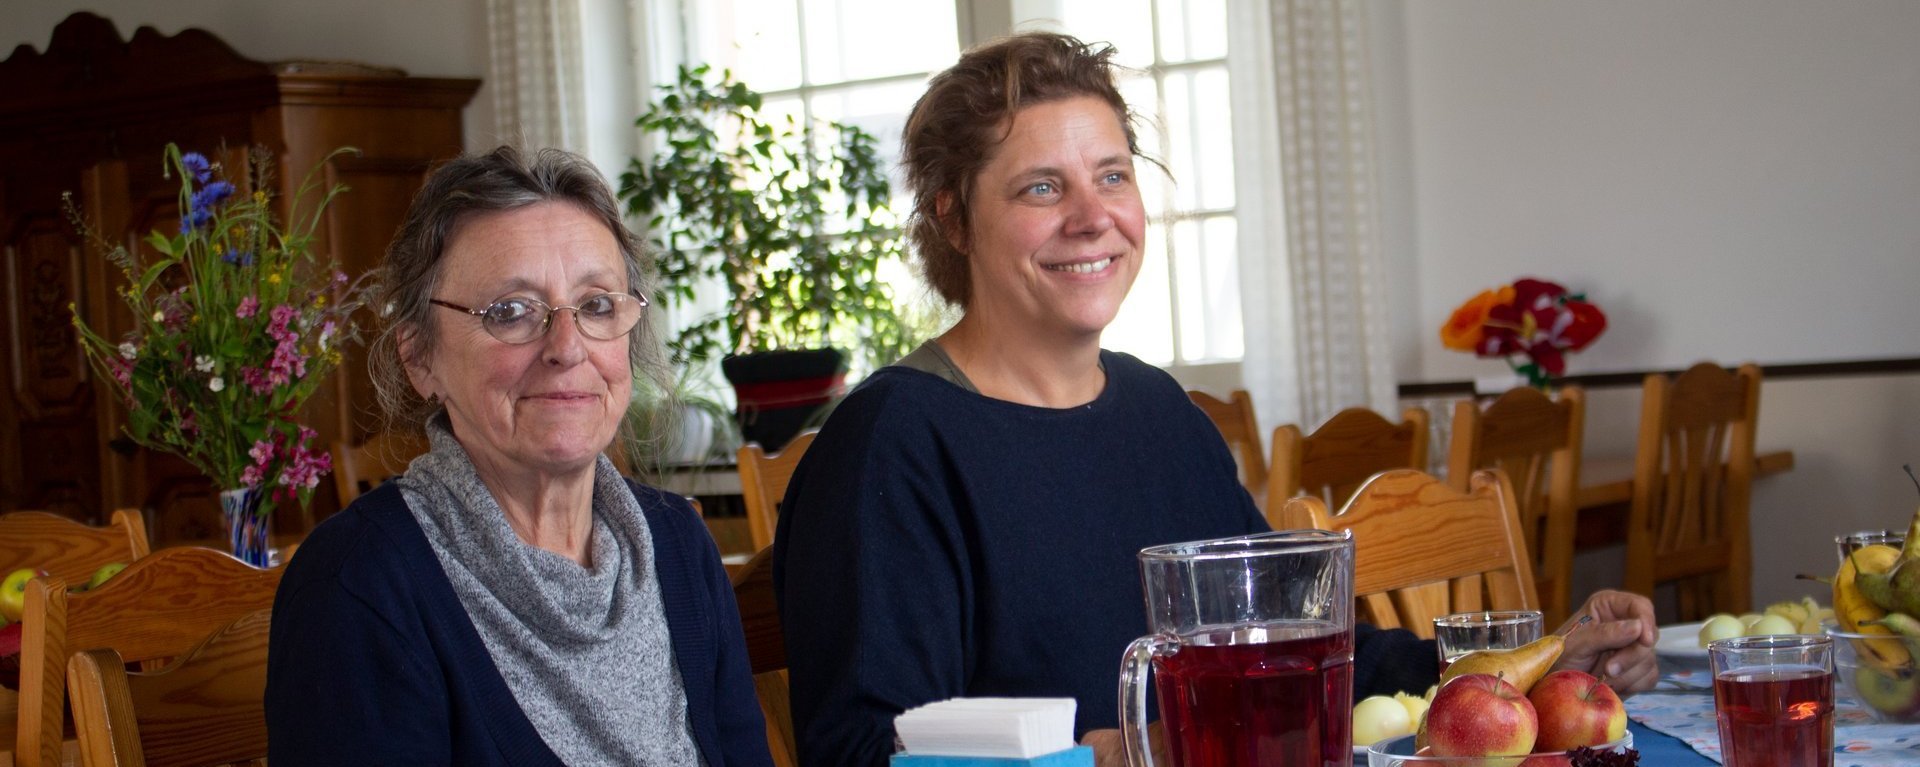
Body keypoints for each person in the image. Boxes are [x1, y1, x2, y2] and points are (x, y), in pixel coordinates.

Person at [772, 32, 1659, 767]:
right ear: (954, 218)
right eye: (1042, 186)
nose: (1093, 216)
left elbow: (1301, 657)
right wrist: (1136, 749)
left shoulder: (1161, 414)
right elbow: (860, 750)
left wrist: (1542, 658)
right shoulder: (892, 443)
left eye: (1112, 176)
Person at [265, 146, 773, 766]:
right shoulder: (358, 586)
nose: (566, 347)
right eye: (510, 312)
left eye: (596, 305)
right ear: (419, 357)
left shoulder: (676, 545)